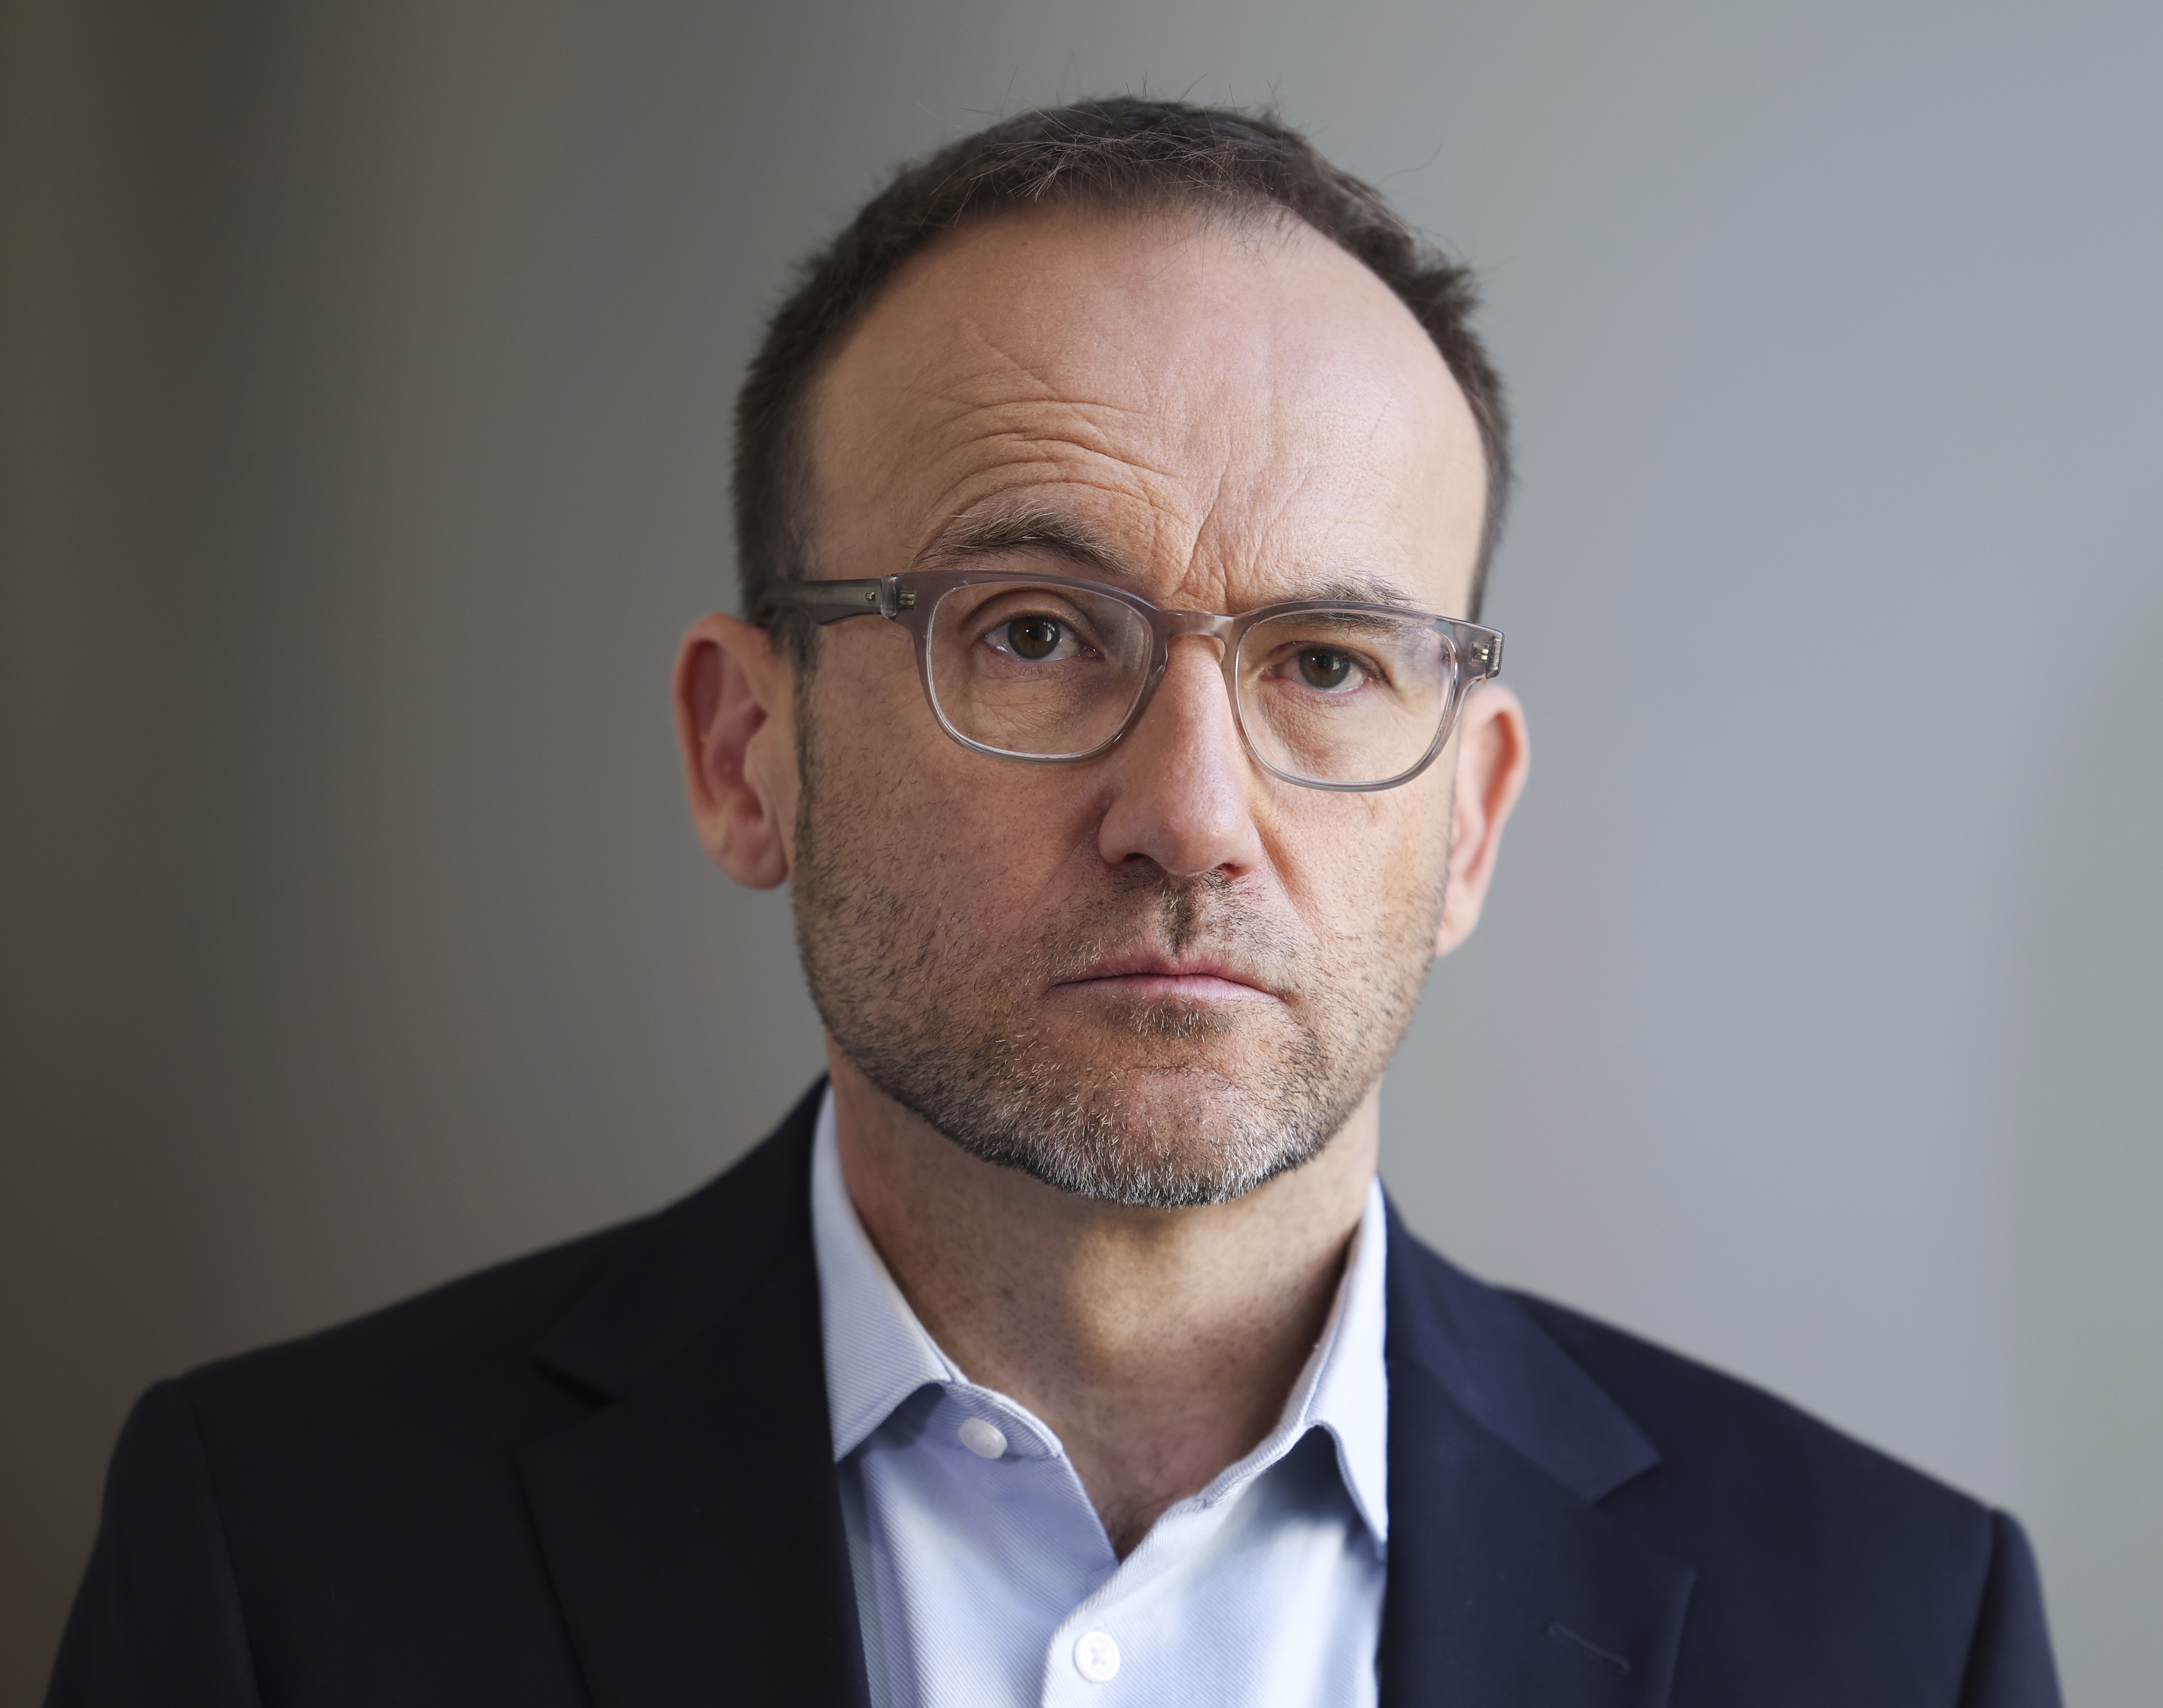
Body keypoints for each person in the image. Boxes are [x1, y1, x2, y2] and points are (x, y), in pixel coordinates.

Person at [48, 99, 2062, 1707]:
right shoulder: (277, 1558)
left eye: (1329, 664)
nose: (1192, 814)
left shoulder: (1890, 1631)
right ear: (748, 753)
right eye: (1028, 633)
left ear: (1470, 821)